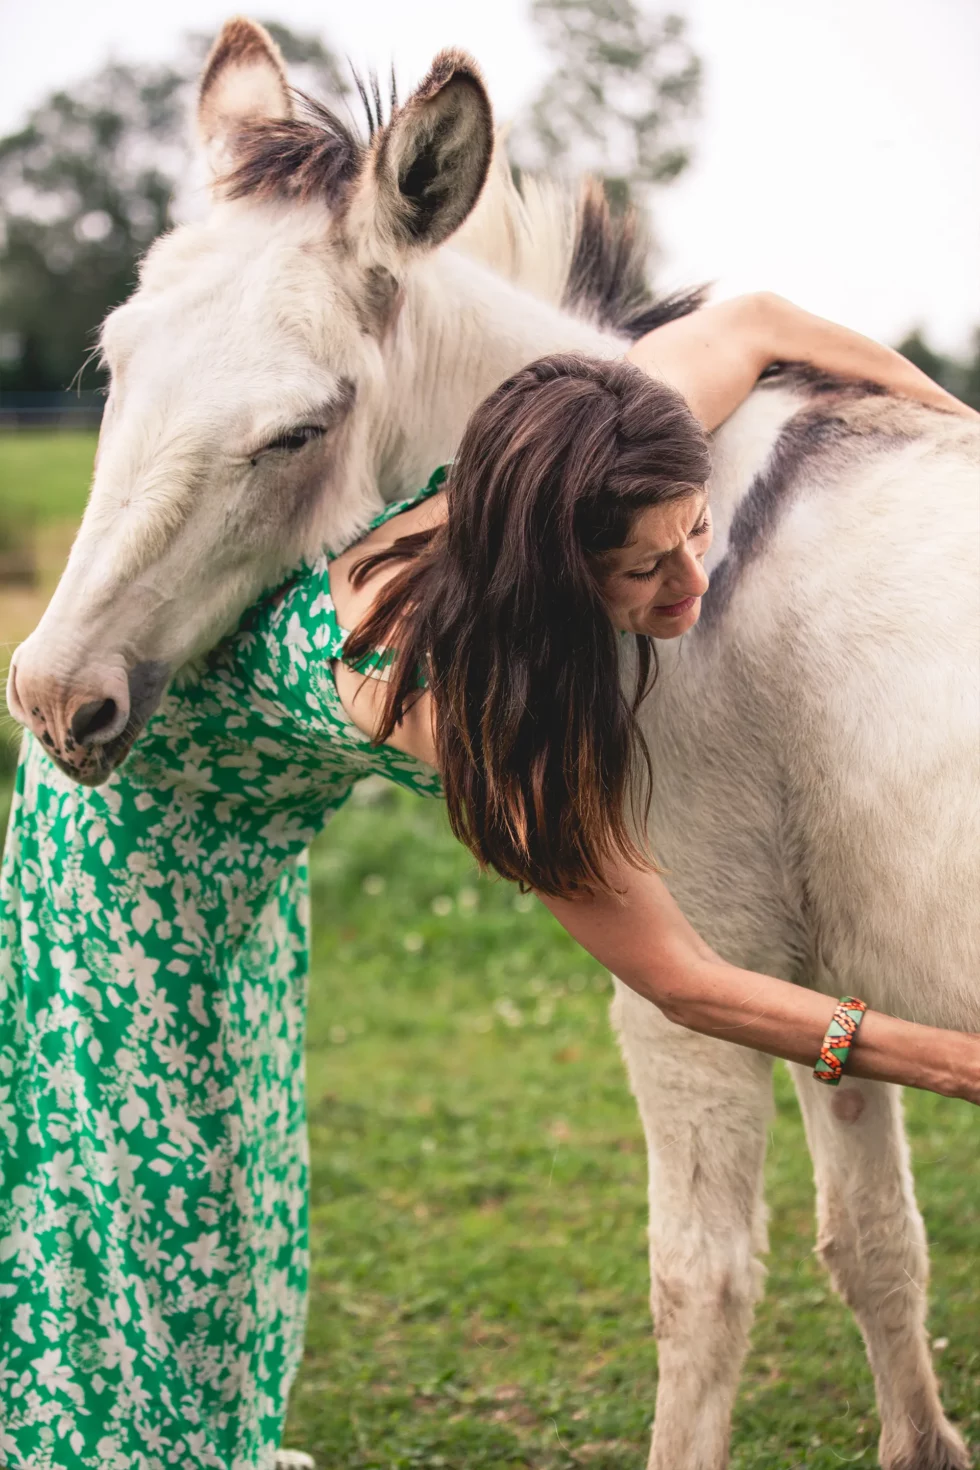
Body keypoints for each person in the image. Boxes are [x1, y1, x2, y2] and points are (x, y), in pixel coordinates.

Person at [0, 293, 975, 1470]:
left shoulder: (567, 457)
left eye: (696, 531)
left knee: (253, 1166)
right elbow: (684, 983)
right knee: (159, 1201)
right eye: (642, 570)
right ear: (556, 572)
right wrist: (948, 1061)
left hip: (244, 819)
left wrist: (953, 424)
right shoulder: (479, 722)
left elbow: (760, 323)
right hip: (130, 844)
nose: (690, 584)